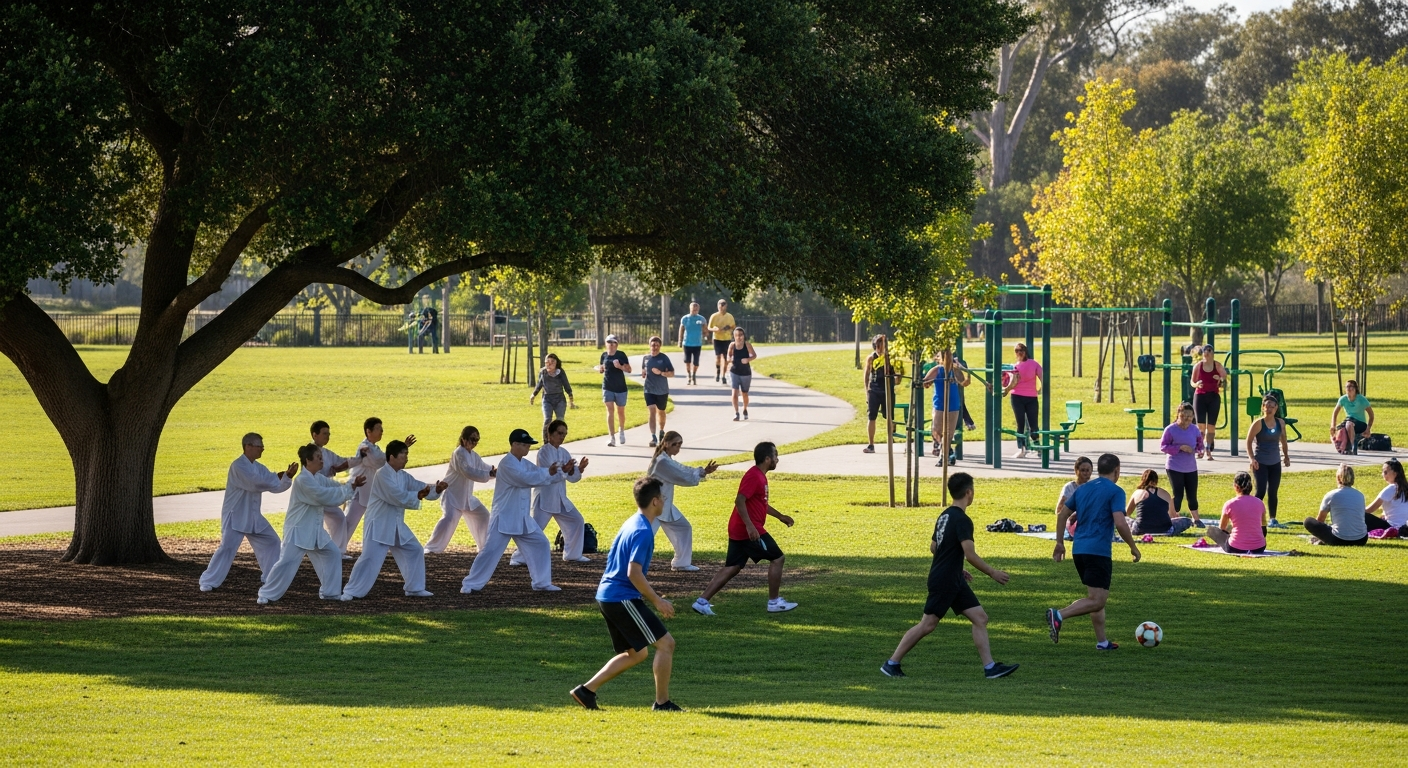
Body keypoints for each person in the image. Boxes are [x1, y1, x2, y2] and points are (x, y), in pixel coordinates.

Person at [880, 472, 1019, 680]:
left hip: (952, 577)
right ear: (969, 492)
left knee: (980, 618)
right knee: (928, 624)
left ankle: (990, 668)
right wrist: (992, 572)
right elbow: (970, 554)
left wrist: (955, 565)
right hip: (945, 580)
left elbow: (934, 547)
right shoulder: (962, 520)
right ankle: (892, 663)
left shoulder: (944, 516)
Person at [569, 476, 681, 712]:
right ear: (654, 501)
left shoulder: (633, 522)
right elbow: (634, 572)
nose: (664, 501)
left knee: (636, 653)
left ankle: (586, 691)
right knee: (666, 644)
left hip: (609, 596)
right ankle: (662, 703)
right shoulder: (643, 531)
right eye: (662, 497)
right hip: (621, 597)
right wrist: (657, 601)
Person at [692, 442, 797, 616]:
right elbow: (739, 500)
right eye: (776, 456)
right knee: (778, 558)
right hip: (748, 529)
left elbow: (760, 503)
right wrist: (750, 526)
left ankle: (701, 602)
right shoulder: (754, 476)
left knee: (733, 566)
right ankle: (774, 602)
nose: (777, 460)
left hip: (739, 528)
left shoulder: (759, 476)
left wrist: (780, 516)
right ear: (767, 459)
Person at [1048, 453, 1141, 650]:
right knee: (1097, 601)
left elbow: (1062, 515)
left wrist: (1059, 543)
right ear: (1117, 470)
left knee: (1095, 597)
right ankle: (1059, 615)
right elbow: (1120, 522)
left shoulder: (1083, 489)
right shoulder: (1116, 491)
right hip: (1098, 551)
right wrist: (1133, 547)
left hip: (1079, 550)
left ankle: (1102, 642)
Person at [258, 444, 366, 603]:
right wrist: (350, 488)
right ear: (308, 461)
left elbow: (333, 486)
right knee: (286, 562)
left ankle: (330, 593)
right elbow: (323, 495)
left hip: (315, 531)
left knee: (333, 554)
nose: (322, 461)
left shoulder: (317, 478)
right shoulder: (303, 480)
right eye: (318, 458)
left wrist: (351, 484)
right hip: (298, 530)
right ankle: (265, 594)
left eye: (322, 457)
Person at [340, 440, 447, 599]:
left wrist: (435, 490)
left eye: (407, 455)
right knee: (369, 559)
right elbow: (396, 496)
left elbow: (420, 486)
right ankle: (350, 591)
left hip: (396, 525)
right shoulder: (382, 474)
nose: (406, 459)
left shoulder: (403, 476)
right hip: (379, 525)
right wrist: (418, 495)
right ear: (392, 457)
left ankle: (415, 588)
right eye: (403, 455)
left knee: (415, 550)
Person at [461, 428, 563, 593]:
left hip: (522, 518)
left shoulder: (524, 463)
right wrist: (548, 472)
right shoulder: (507, 464)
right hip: (504, 517)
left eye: (528, 445)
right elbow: (526, 479)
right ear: (514, 444)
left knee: (541, 543)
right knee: (490, 551)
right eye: (524, 444)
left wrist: (562, 472)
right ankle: (470, 584)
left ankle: (542, 582)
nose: (527, 447)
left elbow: (538, 473)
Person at [199, 433, 296, 591]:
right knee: (227, 548)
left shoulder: (259, 467)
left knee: (272, 541)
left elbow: (275, 486)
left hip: (253, 517)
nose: (262, 449)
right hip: (235, 516)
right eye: (259, 446)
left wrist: (287, 477)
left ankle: (271, 578)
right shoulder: (238, 466)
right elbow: (255, 484)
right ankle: (208, 581)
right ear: (248, 446)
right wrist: (278, 476)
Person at [511, 419, 592, 564]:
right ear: (550, 435)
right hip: (545, 498)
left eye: (564, 434)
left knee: (576, 520)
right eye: (560, 433)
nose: (562, 437)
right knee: (535, 528)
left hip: (560, 498)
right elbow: (548, 475)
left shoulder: (564, 452)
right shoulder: (544, 452)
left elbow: (572, 478)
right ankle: (518, 557)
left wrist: (578, 470)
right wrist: (565, 470)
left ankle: (573, 554)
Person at [342, 417, 416, 556]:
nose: (381, 431)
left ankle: (371, 548)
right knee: (349, 522)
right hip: (359, 491)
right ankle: (336, 551)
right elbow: (381, 461)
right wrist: (402, 448)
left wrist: (402, 447)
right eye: (378, 429)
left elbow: (384, 458)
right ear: (368, 431)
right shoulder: (365, 448)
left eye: (381, 428)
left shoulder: (373, 448)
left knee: (370, 521)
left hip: (368, 492)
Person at [647, 430, 719, 571]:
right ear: (666, 443)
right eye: (676, 444)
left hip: (664, 504)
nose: (678, 448)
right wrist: (701, 473)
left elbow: (682, 469)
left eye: (680, 444)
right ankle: (631, 565)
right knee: (645, 536)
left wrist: (703, 471)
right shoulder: (661, 462)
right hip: (653, 505)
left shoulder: (665, 459)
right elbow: (681, 475)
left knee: (683, 528)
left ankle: (681, 563)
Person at [424, 426, 496, 553]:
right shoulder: (458, 453)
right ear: (464, 439)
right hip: (452, 496)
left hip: (467, 498)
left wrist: (494, 471)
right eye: (472, 439)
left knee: (483, 515)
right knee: (448, 519)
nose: (474, 443)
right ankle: (431, 548)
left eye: (477, 440)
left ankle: (484, 547)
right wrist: (489, 474)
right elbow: (468, 472)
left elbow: (483, 467)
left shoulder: (474, 456)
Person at [309, 420, 361, 549]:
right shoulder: (308, 452)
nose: (327, 437)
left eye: (329, 434)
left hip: (326, 493)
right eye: (324, 433)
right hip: (314, 494)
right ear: (314, 435)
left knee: (338, 518)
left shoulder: (327, 453)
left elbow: (341, 462)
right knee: (313, 524)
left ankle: (338, 551)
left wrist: (360, 458)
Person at [1246, 394, 1292, 528]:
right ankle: (1252, 517)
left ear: (1276, 408)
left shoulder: (1280, 423)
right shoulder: (1258, 423)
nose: (1269, 408)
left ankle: (1272, 518)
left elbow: (1284, 441)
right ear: (1262, 407)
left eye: (1272, 406)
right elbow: (1248, 442)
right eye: (1267, 406)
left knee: (1273, 491)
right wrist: (1252, 459)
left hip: (1275, 462)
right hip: (1260, 463)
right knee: (1260, 491)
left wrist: (1286, 456)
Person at [1160, 402, 1206, 526]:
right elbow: (1163, 447)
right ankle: (1172, 518)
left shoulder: (1194, 429)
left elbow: (1200, 445)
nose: (1187, 419)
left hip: (1190, 467)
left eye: (1190, 416)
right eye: (1184, 416)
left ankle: (1196, 520)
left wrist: (1200, 452)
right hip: (1174, 466)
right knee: (1178, 495)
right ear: (1178, 415)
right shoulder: (1171, 429)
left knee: (1192, 495)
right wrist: (1179, 448)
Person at [922, 349, 969, 465]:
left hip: (953, 405)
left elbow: (965, 383)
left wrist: (964, 370)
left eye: (950, 356)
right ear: (941, 358)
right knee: (936, 430)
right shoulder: (937, 370)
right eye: (946, 356)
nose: (949, 358)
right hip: (939, 404)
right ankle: (948, 451)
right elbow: (925, 383)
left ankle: (943, 457)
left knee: (948, 433)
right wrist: (926, 382)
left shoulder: (955, 370)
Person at [1203, 472, 1268, 554]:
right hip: (1259, 548)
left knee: (1211, 531)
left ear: (1236, 487)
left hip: (1235, 548)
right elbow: (1263, 529)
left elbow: (1222, 529)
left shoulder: (1229, 504)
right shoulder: (1259, 503)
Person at [1305, 464, 1369, 546]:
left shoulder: (1331, 495)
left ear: (1338, 478)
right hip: (1361, 540)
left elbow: (1320, 520)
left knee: (1308, 521)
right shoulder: (1360, 495)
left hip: (1338, 539)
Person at [1001, 342, 1043, 459]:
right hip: (1017, 397)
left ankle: (1037, 447)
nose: (1019, 353)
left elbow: (1042, 376)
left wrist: (1041, 389)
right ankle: (1022, 449)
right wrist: (1006, 390)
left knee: (1033, 424)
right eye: (1016, 351)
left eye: (1021, 350)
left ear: (1025, 352)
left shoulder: (1033, 364)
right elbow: (1008, 382)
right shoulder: (1014, 367)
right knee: (1020, 423)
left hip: (1031, 397)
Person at [862, 334, 899, 454]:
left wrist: (896, 378)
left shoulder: (890, 358)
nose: (879, 349)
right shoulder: (871, 358)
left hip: (888, 390)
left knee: (889, 417)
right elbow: (867, 375)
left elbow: (897, 376)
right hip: (874, 390)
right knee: (871, 416)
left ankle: (891, 439)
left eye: (882, 346)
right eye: (877, 346)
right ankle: (871, 444)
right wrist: (867, 391)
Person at [1126, 470, 1192, 536]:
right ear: (1156, 480)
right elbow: (1172, 516)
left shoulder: (1137, 493)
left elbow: (1126, 513)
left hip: (1140, 530)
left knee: (1123, 518)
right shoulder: (1165, 494)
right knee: (1187, 520)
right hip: (1166, 530)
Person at [1190, 345, 1227, 459]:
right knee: (1201, 426)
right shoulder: (1198, 366)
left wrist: (1220, 379)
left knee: (1211, 426)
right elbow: (1192, 382)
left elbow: (1225, 380)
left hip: (1213, 396)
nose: (1206, 353)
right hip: (1200, 396)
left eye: (1209, 351)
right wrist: (1197, 384)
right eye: (1204, 351)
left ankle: (1208, 449)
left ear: (1213, 353)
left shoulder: (1218, 365)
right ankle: (1200, 449)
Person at [595, 334, 632, 447]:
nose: (611, 344)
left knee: (620, 411)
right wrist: (600, 369)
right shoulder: (604, 355)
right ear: (606, 344)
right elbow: (602, 368)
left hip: (620, 387)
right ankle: (612, 437)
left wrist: (620, 367)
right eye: (609, 342)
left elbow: (629, 370)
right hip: (607, 386)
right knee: (610, 410)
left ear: (616, 344)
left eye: (613, 342)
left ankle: (621, 430)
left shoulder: (621, 355)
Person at [529, 353, 575, 440]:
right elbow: (539, 384)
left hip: (559, 399)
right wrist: (533, 395)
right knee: (547, 419)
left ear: (556, 363)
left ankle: (558, 440)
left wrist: (571, 398)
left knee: (560, 420)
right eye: (547, 362)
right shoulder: (543, 372)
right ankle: (546, 441)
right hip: (547, 399)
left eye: (552, 362)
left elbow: (566, 385)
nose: (549, 364)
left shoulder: (560, 372)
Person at [640, 336, 675, 447]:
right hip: (649, 389)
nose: (654, 347)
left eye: (657, 345)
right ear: (649, 345)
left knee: (661, 412)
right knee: (652, 411)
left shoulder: (664, 358)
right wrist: (644, 374)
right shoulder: (645, 358)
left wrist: (661, 373)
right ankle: (653, 437)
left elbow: (672, 373)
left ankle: (661, 431)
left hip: (662, 390)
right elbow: (644, 370)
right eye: (653, 345)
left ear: (660, 346)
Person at [1365, 459, 1408, 536]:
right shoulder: (1405, 488)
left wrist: (1354, 512)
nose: (1382, 474)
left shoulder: (1391, 488)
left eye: (1385, 472)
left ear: (1395, 474)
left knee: (1363, 516)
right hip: (1404, 527)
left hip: (1392, 527)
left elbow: (1370, 509)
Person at [1056, 456, 1094, 539]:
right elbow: (1059, 510)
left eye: (1088, 470)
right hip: (1072, 523)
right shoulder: (1069, 487)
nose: (1085, 473)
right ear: (1076, 471)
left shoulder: (1094, 488)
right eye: (1082, 470)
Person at [1330, 379, 1375, 446]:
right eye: (1347, 387)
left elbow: (1371, 415)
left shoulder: (1362, 399)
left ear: (1355, 389)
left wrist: (1368, 429)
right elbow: (1335, 413)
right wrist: (1333, 425)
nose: (1349, 388)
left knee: (1349, 424)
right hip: (1348, 421)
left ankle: (1351, 446)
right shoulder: (1343, 399)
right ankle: (1341, 445)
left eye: (1351, 386)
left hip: (1360, 423)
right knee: (1338, 429)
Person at [727, 327, 757, 421]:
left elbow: (754, 355)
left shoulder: (747, 345)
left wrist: (748, 359)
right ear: (734, 336)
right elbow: (728, 356)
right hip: (734, 371)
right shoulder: (732, 345)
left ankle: (745, 408)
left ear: (744, 336)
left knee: (744, 393)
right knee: (734, 393)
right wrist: (729, 359)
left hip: (745, 373)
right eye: (736, 335)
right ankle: (736, 413)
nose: (739, 337)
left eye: (740, 335)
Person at [707, 299, 736, 383]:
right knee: (718, 357)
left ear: (726, 306)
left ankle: (723, 375)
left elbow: (733, 326)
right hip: (717, 338)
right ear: (718, 306)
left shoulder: (729, 316)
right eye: (720, 306)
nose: (722, 308)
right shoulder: (714, 316)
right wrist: (715, 329)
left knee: (726, 358)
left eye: (723, 306)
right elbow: (709, 327)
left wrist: (728, 327)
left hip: (727, 339)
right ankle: (718, 371)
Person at [678, 301, 707, 385]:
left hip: (697, 343)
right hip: (687, 343)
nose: (695, 311)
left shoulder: (701, 319)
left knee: (696, 362)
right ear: (690, 309)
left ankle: (694, 374)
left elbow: (705, 328)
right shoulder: (685, 318)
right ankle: (689, 375)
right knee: (687, 361)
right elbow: (681, 329)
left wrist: (705, 335)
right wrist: (680, 340)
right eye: (693, 309)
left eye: (696, 310)